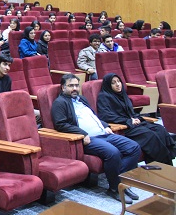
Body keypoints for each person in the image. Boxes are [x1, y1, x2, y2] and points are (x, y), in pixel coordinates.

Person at [52, 74, 141, 203]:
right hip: (89, 139)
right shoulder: (60, 103)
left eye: (76, 85)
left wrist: (105, 125)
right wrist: (82, 133)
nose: (75, 88)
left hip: (103, 134)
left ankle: (120, 181)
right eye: (71, 86)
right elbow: (60, 124)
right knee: (113, 153)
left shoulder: (82, 99)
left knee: (134, 147)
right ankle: (115, 189)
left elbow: (93, 117)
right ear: (63, 87)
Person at [97, 73, 176, 165]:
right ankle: (160, 164)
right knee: (150, 135)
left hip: (134, 124)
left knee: (160, 129)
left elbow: (131, 112)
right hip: (124, 127)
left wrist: (136, 118)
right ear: (108, 85)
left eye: (118, 81)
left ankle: (166, 162)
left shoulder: (122, 94)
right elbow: (105, 116)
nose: (118, 84)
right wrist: (128, 121)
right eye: (113, 83)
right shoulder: (104, 96)